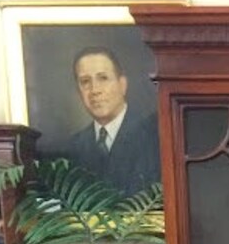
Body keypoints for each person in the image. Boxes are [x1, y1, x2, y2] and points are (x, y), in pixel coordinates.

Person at [64, 45, 161, 195]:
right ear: (78, 90)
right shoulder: (73, 147)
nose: (95, 90)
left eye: (103, 78)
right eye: (85, 81)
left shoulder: (154, 135)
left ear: (122, 85)